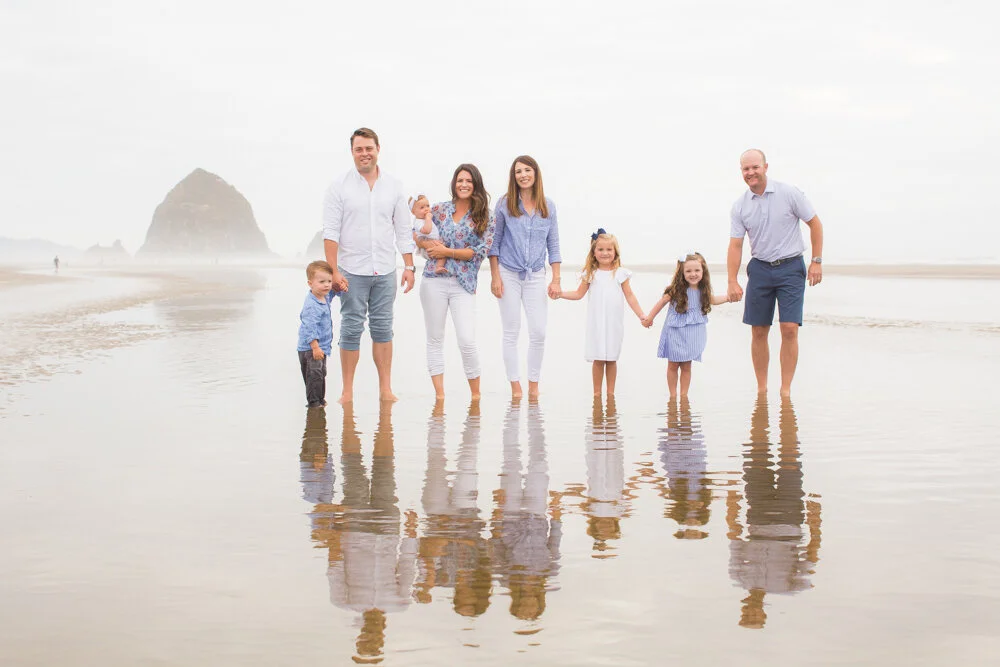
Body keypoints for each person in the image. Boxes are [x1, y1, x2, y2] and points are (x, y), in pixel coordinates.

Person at [322, 127, 416, 404]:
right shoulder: (339, 187)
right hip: (351, 270)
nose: (364, 153)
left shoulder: (394, 186)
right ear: (352, 152)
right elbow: (331, 232)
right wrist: (334, 271)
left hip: (386, 270)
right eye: (359, 149)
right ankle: (347, 391)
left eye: (369, 148)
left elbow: (403, 228)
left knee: (383, 328)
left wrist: (409, 267)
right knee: (351, 328)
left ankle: (385, 389)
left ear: (378, 149)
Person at [726, 149, 824, 397]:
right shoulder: (740, 206)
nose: (751, 173)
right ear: (742, 172)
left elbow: (815, 223)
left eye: (755, 167)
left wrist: (816, 261)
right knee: (758, 330)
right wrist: (731, 280)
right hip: (760, 268)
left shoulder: (788, 193)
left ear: (765, 166)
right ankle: (761, 388)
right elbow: (736, 245)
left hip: (791, 267)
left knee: (789, 328)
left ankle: (785, 389)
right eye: (746, 169)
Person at [414, 165, 496, 400]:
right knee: (435, 339)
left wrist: (447, 251)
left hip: (464, 284)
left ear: (476, 184)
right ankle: (439, 397)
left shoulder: (486, 216)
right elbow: (419, 235)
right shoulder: (438, 210)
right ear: (454, 183)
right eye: (460, 180)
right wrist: (428, 248)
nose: (464, 184)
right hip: (433, 280)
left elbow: (479, 252)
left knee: (467, 340)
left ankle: (476, 396)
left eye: (469, 180)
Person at [488, 155, 562, 400]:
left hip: (536, 275)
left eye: (527, 170)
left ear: (535, 173)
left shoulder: (548, 206)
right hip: (508, 273)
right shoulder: (505, 204)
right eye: (518, 171)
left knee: (538, 332)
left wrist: (556, 279)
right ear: (514, 176)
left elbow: (554, 245)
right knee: (511, 331)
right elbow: (494, 243)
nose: (523, 175)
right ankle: (516, 388)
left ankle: (533, 385)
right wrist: (495, 277)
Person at [558, 229, 645, 397]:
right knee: (598, 358)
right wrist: (560, 294)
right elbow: (578, 294)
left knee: (611, 358)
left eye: (609, 249)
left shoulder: (621, 273)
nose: (605, 253)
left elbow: (630, 296)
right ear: (594, 252)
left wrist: (642, 315)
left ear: (615, 252)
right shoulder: (590, 273)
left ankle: (610, 393)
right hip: (596, 323)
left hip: (613, 323)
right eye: (600, 249)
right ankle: (597, 394)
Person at [642, 252, 730, 399]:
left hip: (692, 333)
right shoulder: (676, 290)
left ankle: (684, 395)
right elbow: (662, 302)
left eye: (697, 270)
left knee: (687, 365)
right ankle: (672, 395)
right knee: (673, 364)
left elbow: (713, 300)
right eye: (688, 271)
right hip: (675, 332)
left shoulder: (703, 290)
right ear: (682, 273)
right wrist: (650, 317)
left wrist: (728, 297)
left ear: (703, 271)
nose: (693, 274)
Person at [296, 260, 347, 408]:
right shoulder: (312, 305)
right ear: (310, 283)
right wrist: (315, 347)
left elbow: (331, 294)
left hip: (321, 347)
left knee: (320, 373)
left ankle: (320, 400)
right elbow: (309, 327)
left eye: (329, 281)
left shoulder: (322, 297)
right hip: (311, 349)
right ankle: (314, 403)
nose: (326, 285)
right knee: (314, 376)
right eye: (322, 281)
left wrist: (340, 288)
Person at [409, 194, 448, 275]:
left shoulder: (423, 219)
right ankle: (438, 267)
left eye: (427, 206)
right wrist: (428, 219)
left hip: (432, 241)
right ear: (413, 212)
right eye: (422, 208)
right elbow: (427, 230)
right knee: (443, 253)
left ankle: (439, 266)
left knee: (443, 251)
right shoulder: (418, 222)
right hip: (427, 244)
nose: (426, 209)